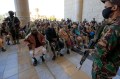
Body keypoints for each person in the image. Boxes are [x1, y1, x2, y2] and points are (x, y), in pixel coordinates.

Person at [92, 0, 120, 79]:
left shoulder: (115, 27)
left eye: (106, 7)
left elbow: (98, 53)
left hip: (102, 72)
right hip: (110, 67)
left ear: (114, 7)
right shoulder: (113, 24)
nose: (104, 10)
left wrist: (91, 51)